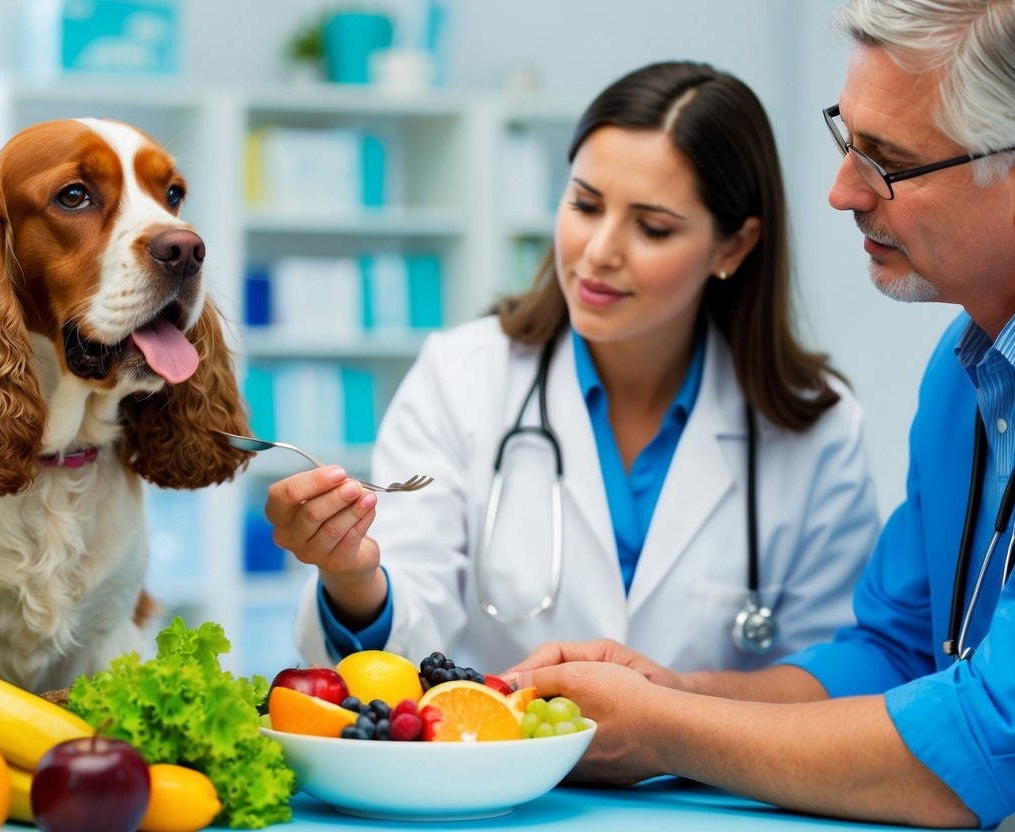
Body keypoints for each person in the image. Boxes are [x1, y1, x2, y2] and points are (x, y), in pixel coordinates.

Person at [504, 1, 1015, 828]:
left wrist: (663, 730)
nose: (841, 189)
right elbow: (892, 653)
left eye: (885, 161)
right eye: (846, 139)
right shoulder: (964, 378)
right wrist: (672, 689)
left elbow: (987, 745)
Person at [266, 60, 880, 675]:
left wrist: (669, 720)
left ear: (733, 246)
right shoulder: (461, 379)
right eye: (585, 205)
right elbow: (400, 642)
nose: (598, 252)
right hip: (506, 767)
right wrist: (350, 574)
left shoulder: (817, 428)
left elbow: (832, 676)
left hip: (716, 777)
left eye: (651, 227)